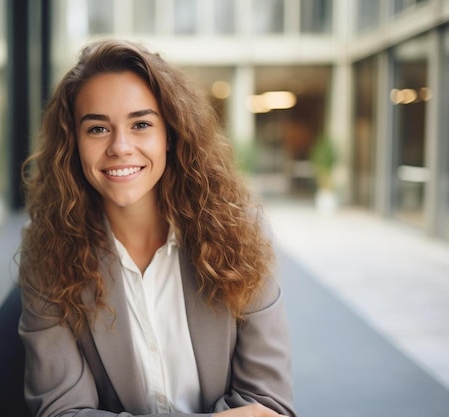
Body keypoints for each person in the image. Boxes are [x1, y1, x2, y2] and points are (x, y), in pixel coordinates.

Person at [18, 39, 296, 417]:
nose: (120, 146)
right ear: (73, 143)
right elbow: (61, 411)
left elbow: (269, 405)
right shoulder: (47, 254)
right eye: (98, 128)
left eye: (141, 124)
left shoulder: (240, 234)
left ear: (171, 135)